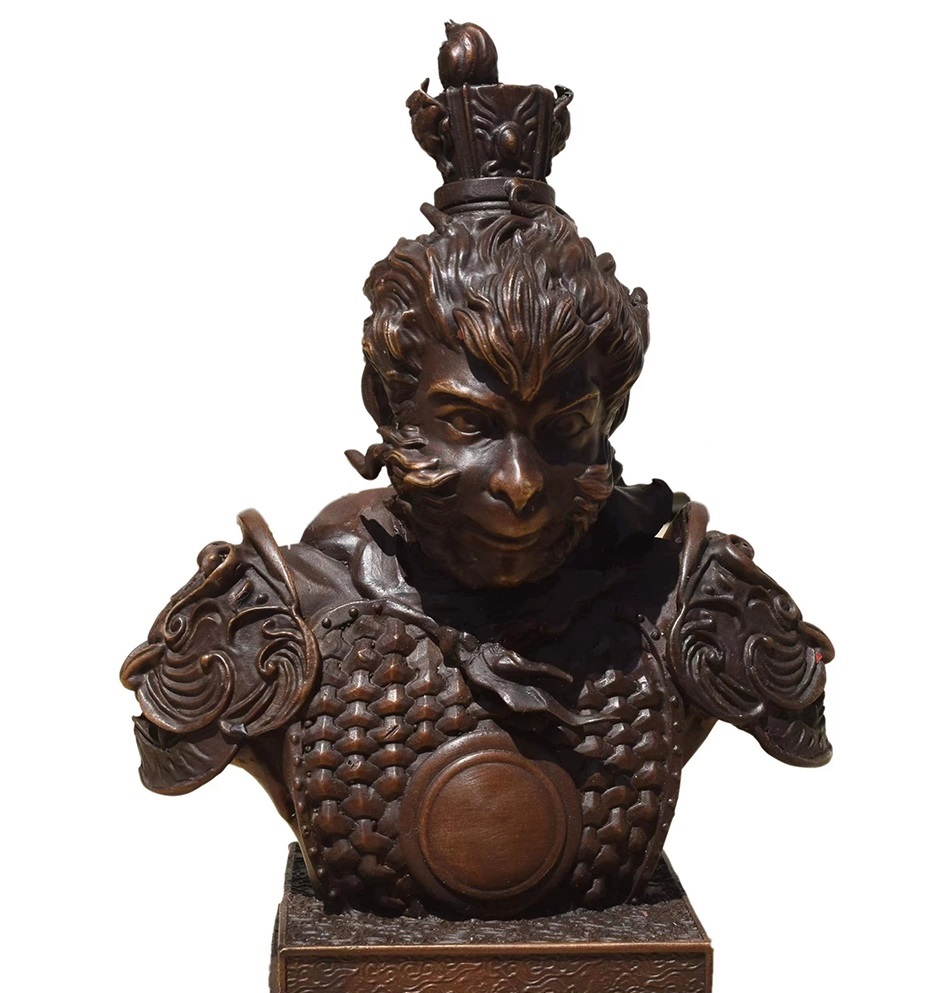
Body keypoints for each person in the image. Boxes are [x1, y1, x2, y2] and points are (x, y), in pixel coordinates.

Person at [121, 23, 832, 918]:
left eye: (564, 428)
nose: (522, 484)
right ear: (389, 407)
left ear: (611, 416)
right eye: (470, 425)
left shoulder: (683, 604)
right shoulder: (277, 620)